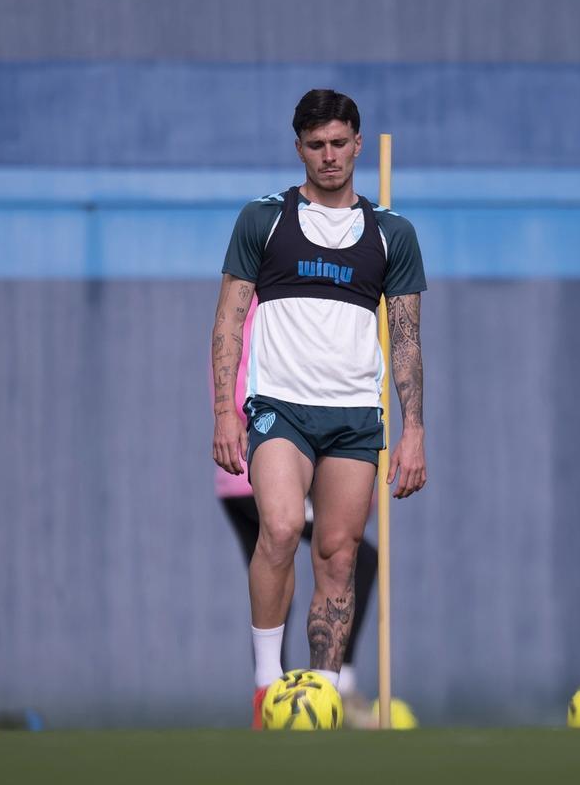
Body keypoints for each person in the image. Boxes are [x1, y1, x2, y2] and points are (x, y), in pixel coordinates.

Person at [210, 89, 427, 728]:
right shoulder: (264, 219)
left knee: (336, 553)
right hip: (280, 406)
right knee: (278, 528)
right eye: (316, 145)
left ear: (358, 143)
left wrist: (413, 430)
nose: (329, 157)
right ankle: (264, 686)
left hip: (356, 415)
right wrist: (225, 411)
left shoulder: (392, 233)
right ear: (298, 148)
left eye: (339, 143)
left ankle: (323, 697)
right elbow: (227, 319)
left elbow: (409, 339)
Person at [213, 295, 378, 719]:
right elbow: (246, 374)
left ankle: (271, 699)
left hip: (244, 475)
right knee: (344, 556)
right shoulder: (264, 305)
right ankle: (334, 685)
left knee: (278, 576)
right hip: (255, 469)